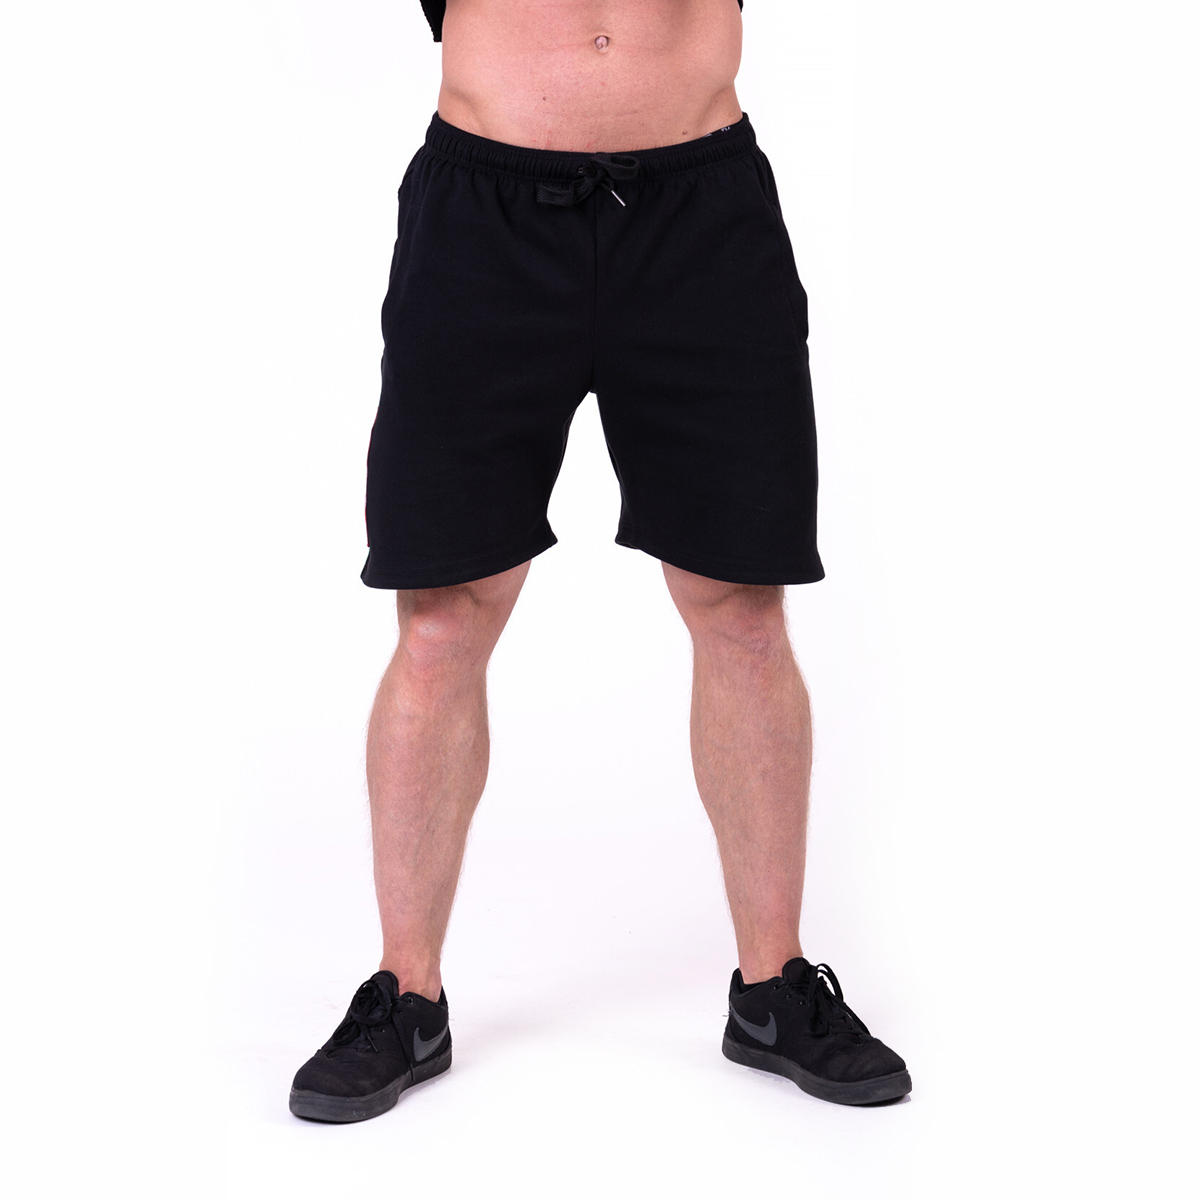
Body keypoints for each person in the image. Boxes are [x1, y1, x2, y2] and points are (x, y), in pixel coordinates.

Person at [290, 0, 910, 1123]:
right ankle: (404, 995)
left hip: (702, 215)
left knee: (742, 607)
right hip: (482, 217)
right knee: (440, 619)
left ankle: (774, 989)